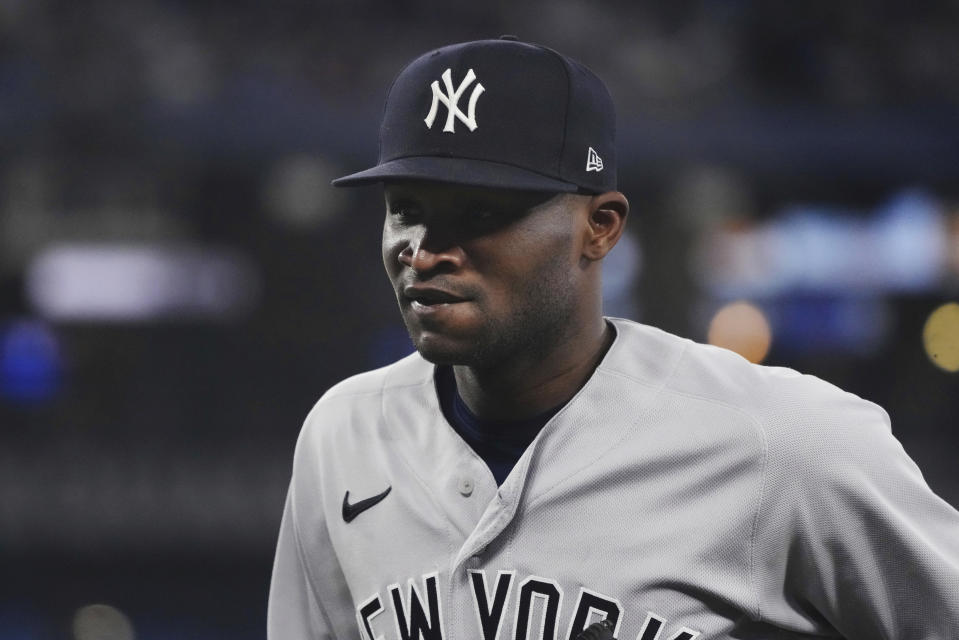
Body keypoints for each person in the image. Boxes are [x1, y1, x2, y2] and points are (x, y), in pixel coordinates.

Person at [268, 37, 959, 640]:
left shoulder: (783, 444)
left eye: (479, 212)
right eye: (406, 211)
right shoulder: (341, 436)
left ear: (599, 226)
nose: (424, 250)